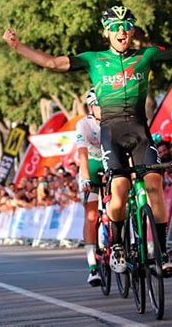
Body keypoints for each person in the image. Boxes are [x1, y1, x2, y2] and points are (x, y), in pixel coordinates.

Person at [3, 5, 172, 276]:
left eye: (127, 26)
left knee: (154, 183)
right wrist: (18, 46)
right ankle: (116, 244)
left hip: (140, 130)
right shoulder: (94, 59)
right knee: (119, 189)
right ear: (106, 32)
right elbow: (53, 63)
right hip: (111, 132)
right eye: (116, 27)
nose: (122, 32)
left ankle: (162, 252)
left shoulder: (146, 55)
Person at [75, 89, 104, 286]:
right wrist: (85, 178)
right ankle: (93, 266)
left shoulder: (113, 121)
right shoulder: (84, 124)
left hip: (110, 163)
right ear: (91, 107)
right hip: (92, 165)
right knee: (92, 216)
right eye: (100, 105)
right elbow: (83, 155)